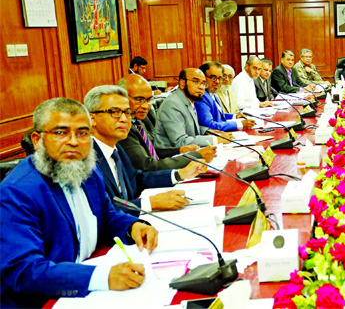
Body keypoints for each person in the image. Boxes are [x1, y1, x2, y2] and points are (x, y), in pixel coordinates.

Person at [0, 98, 158, 308]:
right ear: (37, 140)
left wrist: (132, 227)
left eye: (83, 133)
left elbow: (107, 217)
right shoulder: (16, 192)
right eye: (60, 133)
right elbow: (25, 271)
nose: (74, 141)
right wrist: (102, 277)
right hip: (44, 300)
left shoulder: (87, 170)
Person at [84, 85, 207, 217]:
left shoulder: (115, 148)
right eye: (115, 112)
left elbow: (137, 179)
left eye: (127, 112)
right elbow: (100, 209)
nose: (124, 119)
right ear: (92, 119)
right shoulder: (86, 159)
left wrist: (180, 174)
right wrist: (150, 203)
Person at [117, 74, 217, 171]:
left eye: (148, 100)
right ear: (122, 98)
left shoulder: (137, 120)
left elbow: (149, 151)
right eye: (139, 100)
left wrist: (180, 150)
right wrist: (196, 156)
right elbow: (147, 166)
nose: (146, 106)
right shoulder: (123, 127)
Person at [155, 68, 234, 147]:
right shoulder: (172, 104)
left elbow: (188, 128)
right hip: (172, 156)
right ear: (182, 83)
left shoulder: (188, 100)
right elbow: (180, 141)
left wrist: (208, 131)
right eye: (196, 82)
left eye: (203, 83)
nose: (201, 87)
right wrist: (215, 140)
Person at [196, 61, 255, 132]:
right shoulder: (201, 97)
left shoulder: (212, 93)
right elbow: (209, 126)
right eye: (213, 77)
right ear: (203, 78)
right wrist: (239, 124)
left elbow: (218, 116)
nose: (217, 81)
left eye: (220, 78)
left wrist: (234, 116)